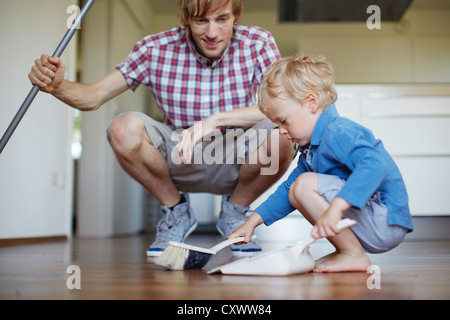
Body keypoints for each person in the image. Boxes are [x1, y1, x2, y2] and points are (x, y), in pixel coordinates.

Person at [28, 0, 295, 257]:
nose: (212, 33)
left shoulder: (258, 42)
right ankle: (176, 210)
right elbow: (94, 95)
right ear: (184, 17)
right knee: (122, 128)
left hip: (236, 155)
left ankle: (235, 210)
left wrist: (214, 120)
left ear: (237, 15)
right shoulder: (153, 48)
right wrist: (58, 87)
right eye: (201, 21)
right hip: (180, 155)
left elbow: (283, 105)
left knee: (282, 132)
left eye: (222, 19)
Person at [229, 55, 414, 272]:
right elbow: (288, 190)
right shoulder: (311, 149)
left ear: (311, 103)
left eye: (284, 120)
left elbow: (374, 166)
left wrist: (336, 208)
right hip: (371, 221)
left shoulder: (338, 132)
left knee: (304, 185)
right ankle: (348, 250)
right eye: (276, 123)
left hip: (385, 220)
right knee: (296, 188)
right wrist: (252, 223)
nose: (281, 130)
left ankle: (352, 253)